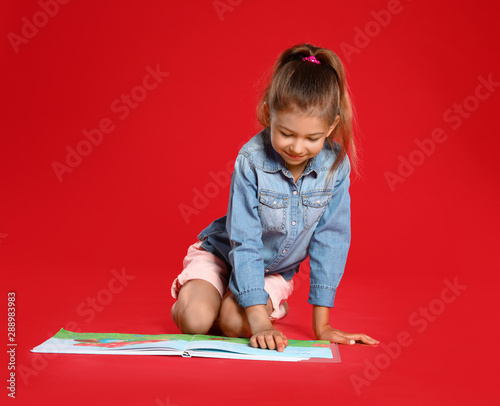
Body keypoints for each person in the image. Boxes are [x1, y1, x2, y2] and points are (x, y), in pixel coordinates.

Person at [171, 43, 379, 352]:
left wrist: (322, 326)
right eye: (286, 133)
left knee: (233, 323)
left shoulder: (336, 166)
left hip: (273, 271)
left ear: (331, 127)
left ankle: (239, 303)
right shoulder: (251, 160)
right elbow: (245, 241)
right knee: (197, 321)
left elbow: (331, 239)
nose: (297, 147)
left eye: (312, 138)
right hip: (225, 256)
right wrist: (260, 322)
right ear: (269, 114)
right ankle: (203, 295)